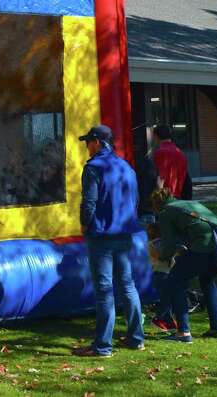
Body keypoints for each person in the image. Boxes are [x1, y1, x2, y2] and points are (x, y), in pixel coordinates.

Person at [75, 125, 144, 357]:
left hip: (101, 235)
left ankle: (103, 346)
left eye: (87, 142)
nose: (86, 147)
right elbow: (136, 200)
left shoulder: (94, 168)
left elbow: (89, 202)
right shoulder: (126, 167)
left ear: (96, 142)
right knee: (127, 285)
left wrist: (85, 224)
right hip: (124, 234)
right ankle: (136, 338)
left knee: (104, 290)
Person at [150, 187, 217, 342]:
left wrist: (164, 258)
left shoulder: (166, 213)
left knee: (175, 282)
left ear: (157, 205)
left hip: (201, 248)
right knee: (208, 282)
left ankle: (183, 332)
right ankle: (215, 329)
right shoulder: (189, 204)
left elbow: (169, 243)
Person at [150, 125, 189, 200]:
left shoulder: (160, 152)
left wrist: (159, 198)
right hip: (179, 197)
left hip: (166, 198)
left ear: (156, 136)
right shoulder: (180, 153)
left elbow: (161, 178)